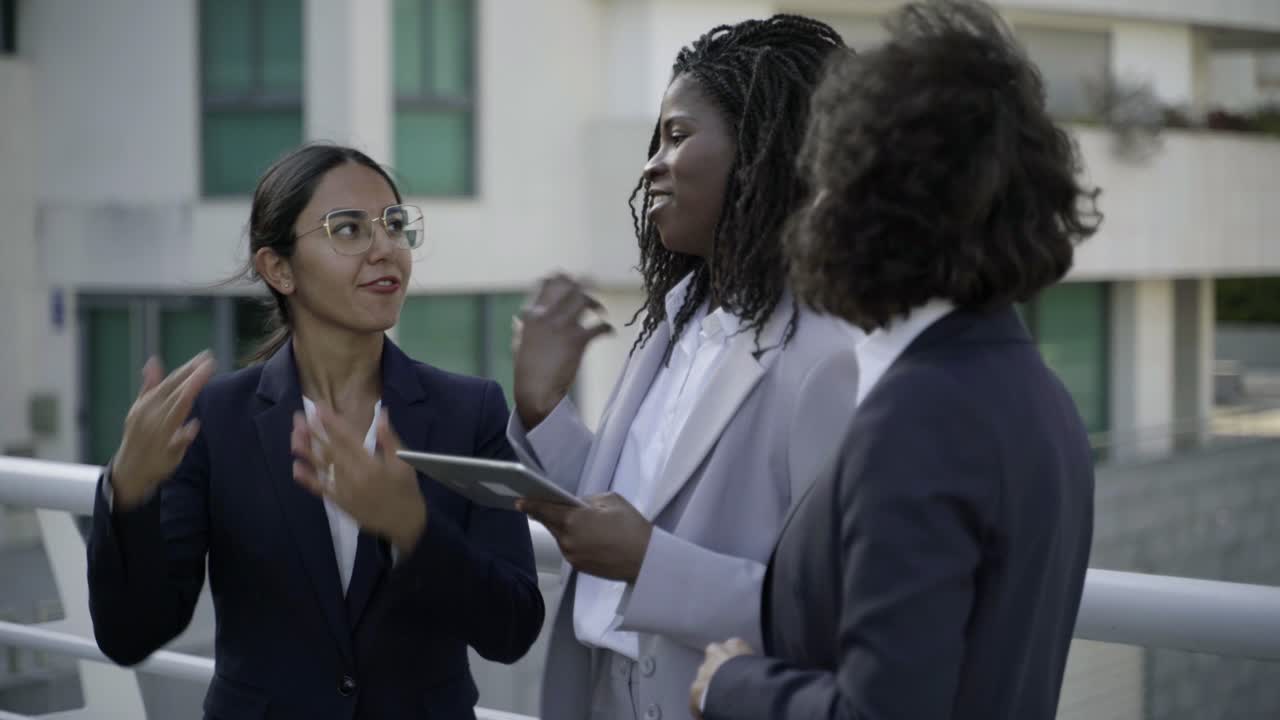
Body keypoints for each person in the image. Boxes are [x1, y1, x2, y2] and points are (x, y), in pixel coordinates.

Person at [692, 1, 1102, 718]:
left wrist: (733, 686)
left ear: (870, 207)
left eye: (823, 181)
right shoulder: (1035, 390)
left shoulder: (921, 417)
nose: (804, 212)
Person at [86, 144, 544, 720]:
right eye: (348, 229)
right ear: (278, 269)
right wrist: (127, 492)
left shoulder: (468, 411)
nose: (384, 248)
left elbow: (514, 627)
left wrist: (413, 530)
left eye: (394, 225)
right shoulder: (217, 419)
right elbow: (132, 634)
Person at [509, 15, 861, 720]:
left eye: (677, 135)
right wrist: (544, 408)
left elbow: (833, 606)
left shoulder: (831, 355)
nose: (652, 165)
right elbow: (631, 513)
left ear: (765, 149)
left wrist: (649, 561)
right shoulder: (674, 324)